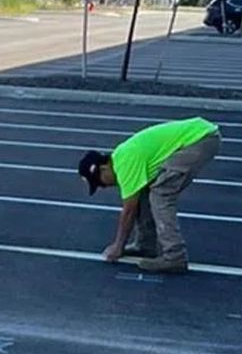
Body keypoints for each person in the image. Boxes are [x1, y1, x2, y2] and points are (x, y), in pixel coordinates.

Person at [77, 117, 221, 273]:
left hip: (199, 139)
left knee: (161, 194)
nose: (104, 187)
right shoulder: (122, 158)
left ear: (104, 168)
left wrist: (118, 246)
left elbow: (129, 211)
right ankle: (145, 245)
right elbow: (138, 201)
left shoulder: (125, 164)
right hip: (201, 134)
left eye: (100, 183)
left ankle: (175, 256)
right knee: (146, 192)